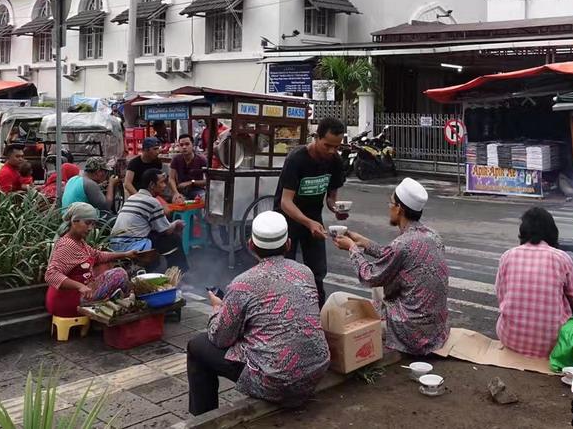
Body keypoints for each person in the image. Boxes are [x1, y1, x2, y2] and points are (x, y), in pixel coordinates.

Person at [186, 211, 330, 416]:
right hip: (316, 370)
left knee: (196, 346)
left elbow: (220, 338)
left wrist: (217, 308)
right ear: (288, 244)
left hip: (277, 382)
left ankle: (202, 419)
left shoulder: (242, 284)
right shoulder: (305, 272)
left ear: (250, 245)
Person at [332, 177, 450, 355]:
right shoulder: (433, 235)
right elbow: (396, 257)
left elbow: (369, 276)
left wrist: (352, 249)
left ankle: (385, 330)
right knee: (385, 283)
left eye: (391, 203)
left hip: (412, 333)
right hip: (436, 331)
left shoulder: (402, 244)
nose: (389, 207)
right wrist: (365, 243)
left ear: (399, 209)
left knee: (370, 289)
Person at [495, 207, 573, 358]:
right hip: (556, 344)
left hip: (510, 339)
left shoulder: (508, 256)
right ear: (552, 231)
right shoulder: (561, 258)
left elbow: (501, 296)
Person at [273, 117, 346, 306]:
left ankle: (317, 313)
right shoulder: (296, 159)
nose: (331, 151)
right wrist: (308, 222)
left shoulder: (335, 161)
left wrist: (336, 209)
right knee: (284, 271)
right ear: (316, 137)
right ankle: (284, 311)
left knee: (317, 271)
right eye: (327, 145)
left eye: (336, 147)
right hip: (287, 220)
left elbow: (331, 198)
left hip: (314, 220)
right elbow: (286, 202)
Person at [44, 203, 138, 317]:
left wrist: (126, 254)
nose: (90, 228)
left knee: (111, 271)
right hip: (67, 302)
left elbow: (98, 256)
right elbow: (51, 275)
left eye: (93, 224)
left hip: (77, 295)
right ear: (74, 222)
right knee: (119, 274)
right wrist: (80, 286)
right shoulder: (67, 245)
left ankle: (125, 305)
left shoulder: (79, 242)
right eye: (87, 223)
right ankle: (129, 307)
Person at [111, 168, 188, 271]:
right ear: (152, 185)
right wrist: (176, 223)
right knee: (173, 239)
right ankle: (179, 273)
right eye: (162, 182)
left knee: (157, 236)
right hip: (132, 244)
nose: (165, 186)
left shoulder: (132, 197)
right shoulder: (152, 202)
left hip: (114, 243)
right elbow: (166, 230)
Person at [169, 134, 207, 204]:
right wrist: (176, 193)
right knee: (177, 201)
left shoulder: (202, 160)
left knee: (205, 199)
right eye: (181, 145)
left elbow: (207, 181)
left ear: (192, 145)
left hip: (197, 190)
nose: (184, 147)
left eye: (187, 144)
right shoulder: (176, 159)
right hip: (181, 190)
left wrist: (191, 182)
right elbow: (171, 178)